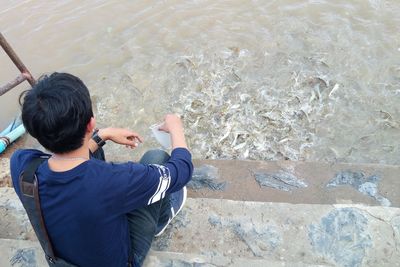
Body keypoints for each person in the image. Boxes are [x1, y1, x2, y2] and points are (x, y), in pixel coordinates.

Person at [10, 72, 193, 266]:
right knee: (156, 158)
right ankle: (161, 220)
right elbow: (182, 170)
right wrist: (176, 127)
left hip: (64, 258)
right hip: (123, 260)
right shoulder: (114, 181)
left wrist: (101, 136)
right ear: (91, 123)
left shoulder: (22, 165)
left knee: (95, 168)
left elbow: (69, 161)